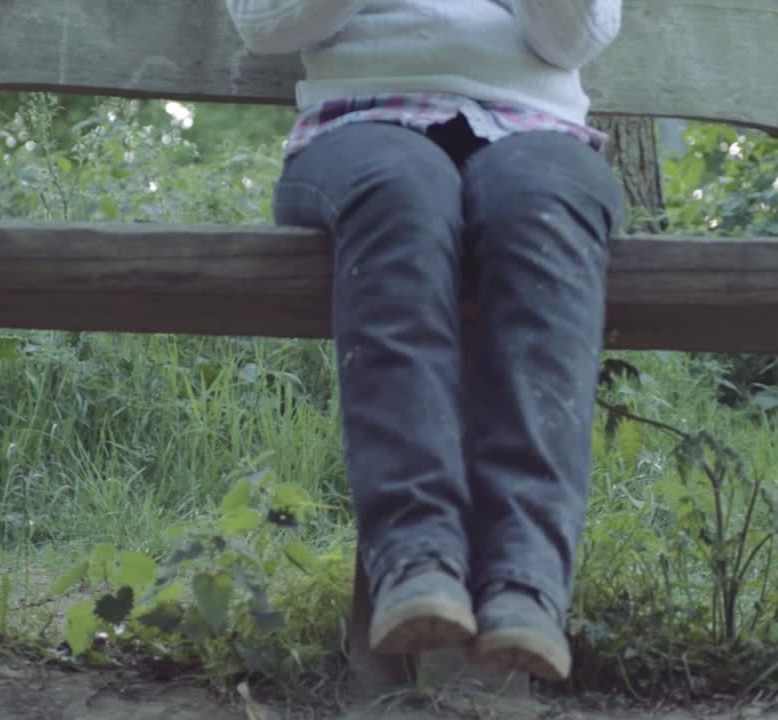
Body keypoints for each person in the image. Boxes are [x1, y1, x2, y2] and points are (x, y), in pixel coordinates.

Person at [223, 0, 624, 682]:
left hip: (535, 134)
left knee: (543, 213)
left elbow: (576, 38)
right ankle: (418, 563)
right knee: (403, 196)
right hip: (359, 127)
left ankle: (526, 587)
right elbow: (265, 24)